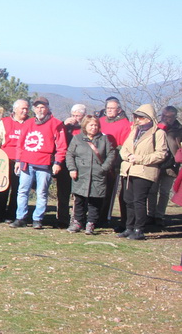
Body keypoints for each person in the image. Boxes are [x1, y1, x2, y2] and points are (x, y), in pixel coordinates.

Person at [11, 97, 67, 229]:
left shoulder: (56, 124)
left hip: (44, 164)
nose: (40, 110)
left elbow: (61, 146)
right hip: (26, 163)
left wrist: (58, 162)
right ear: (34, 109)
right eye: (37, 107)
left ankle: (37, 219)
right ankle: (20, 218)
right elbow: (20, 144)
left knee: (41, 192)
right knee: (22, 191)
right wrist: (18, 160)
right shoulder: (28, 123)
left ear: (47, 108)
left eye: (42, 107)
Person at [116, 104, 168, 240]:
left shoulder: (158, 133)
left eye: (141, 117)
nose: (138, 119)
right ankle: (129, 227)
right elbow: (124, 149)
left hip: (145, 171)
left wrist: (139, 159)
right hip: (128, 170)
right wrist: (128, 156)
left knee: (139, 201)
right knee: (128, 200)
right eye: (137, 117)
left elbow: (161, 154)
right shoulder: (134, 131)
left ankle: (139, 229)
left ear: (149, 118)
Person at [65, 116, 116, 235]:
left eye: (96, 125)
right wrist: (72, 168)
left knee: (95, 200)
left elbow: (111, 154)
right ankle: (78, 222)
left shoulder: (104, 139)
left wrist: (104, 168)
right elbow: (70, 154)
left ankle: (91, 223)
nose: (94, 127)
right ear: (85, 126)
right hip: (80, 174)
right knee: (79, 200)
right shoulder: (77, 139)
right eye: (91, 125)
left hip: (98, 175)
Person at [99, 97, 131, 226]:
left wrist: (115, 162)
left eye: (112, 108)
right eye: (108, 108)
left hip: (114, 161)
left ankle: (105, 216)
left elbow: (124, 145)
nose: (110, 110)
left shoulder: (125, 124)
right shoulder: (100, 121)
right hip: (98, 160)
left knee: (109, 190)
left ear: (119, 110)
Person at [149, 105, 181, 228]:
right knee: (152, 190)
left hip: (171, 166)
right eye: (163, 115)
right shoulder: (155, 128)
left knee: (164, 192)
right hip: (156, 164)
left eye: (168, 117)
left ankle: (159, 215)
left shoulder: (179, 130)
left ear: (174, 117)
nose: (165, 118)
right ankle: (150, 214)